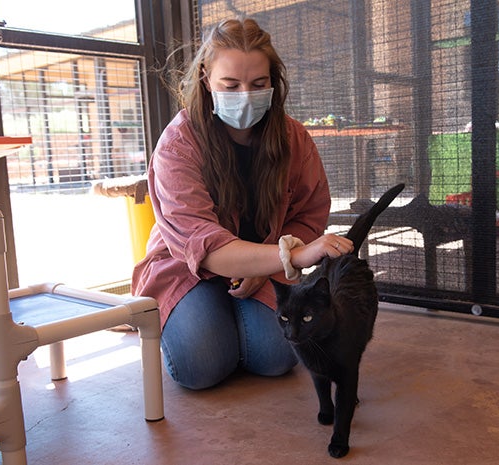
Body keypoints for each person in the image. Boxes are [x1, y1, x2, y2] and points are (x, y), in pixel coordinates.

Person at [131, 17, 354, 390]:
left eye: (259, 84)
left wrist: (264, 265)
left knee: (277, 357)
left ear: (273, 83)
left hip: (263, 266)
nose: (246, 95)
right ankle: (193, 321)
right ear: (205, 78)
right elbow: (205, 247)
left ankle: (231, 322)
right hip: (187, 269)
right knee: (200, 367)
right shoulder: (178, 143)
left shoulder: (293, 137)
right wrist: (288, 257)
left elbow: (309, 213)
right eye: (230, 85)